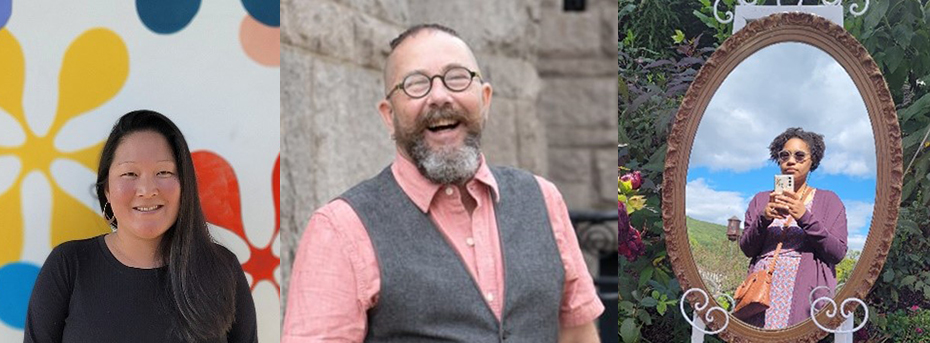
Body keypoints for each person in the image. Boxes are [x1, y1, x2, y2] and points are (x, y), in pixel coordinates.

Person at [282, 24, 604, 342]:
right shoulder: (340, 229)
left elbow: (577, 335)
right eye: (415, 84)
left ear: (486, 98)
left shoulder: (544, 199)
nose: (439, 96)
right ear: (388, 115)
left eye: (457, 77)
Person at [24, 110, 258, 342]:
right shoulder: (68, 266)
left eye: (163, 172)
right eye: (130, 173)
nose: (147, 190)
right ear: (107, 189)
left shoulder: (221, 269)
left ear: (184, 185)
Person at [737, 127, 848, 329]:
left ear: (812, 160)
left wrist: (804, 216)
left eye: (799, 156)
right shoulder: (761, 199)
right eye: (784, 155)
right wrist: (763, 219)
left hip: (804, 291)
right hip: (761, 291)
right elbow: (747, 249)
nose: (790, 161)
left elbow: (837, 252)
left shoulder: (829, 200)